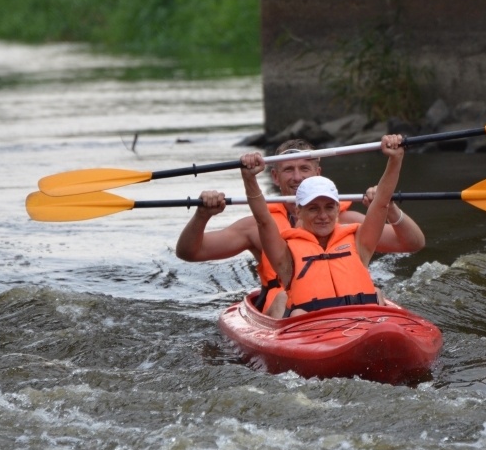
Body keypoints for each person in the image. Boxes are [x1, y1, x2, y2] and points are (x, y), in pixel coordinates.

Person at [176, 138, 425, 313]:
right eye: (289, 170)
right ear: (275, 177)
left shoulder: (352, 229)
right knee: (283, 297)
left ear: (318, 172)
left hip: (352, 312)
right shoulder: (263, 233)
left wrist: (391, 204)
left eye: (304, 168)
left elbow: (411, 241)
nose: (297, 177)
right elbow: (191, 252)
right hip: (296, 314)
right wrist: (202, 215)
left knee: (375, 292)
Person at [239, 135, 405, 317]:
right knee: (295, 311)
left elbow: (381, 202)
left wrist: (395, 158)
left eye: (329, 207)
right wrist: (249, 179)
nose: (323, 216)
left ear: (337, 208)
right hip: (313, 331)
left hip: (362, 323)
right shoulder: (286, 257)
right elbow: (263, 220)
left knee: (376, 293)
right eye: (313, 209)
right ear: (299, 211)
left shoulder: (360, 243)